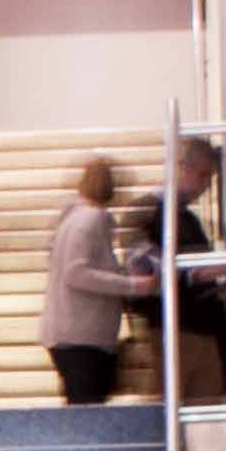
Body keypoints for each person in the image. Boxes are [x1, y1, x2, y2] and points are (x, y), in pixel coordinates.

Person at [38, 157, 158, 403]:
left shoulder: (70, 219)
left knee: (80, 406)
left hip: (69, 332)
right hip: (83, 335)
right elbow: (77, 272)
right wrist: (134, 284)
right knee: (88, 409)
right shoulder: (92, 219)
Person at [125, 136, 226, 401]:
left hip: (201, 335)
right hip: (168, 334)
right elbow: (142, 270)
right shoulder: (145, 210)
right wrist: (196, 271)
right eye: (203, 175)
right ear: (180, 167)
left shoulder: (189, 219)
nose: (206, 186)